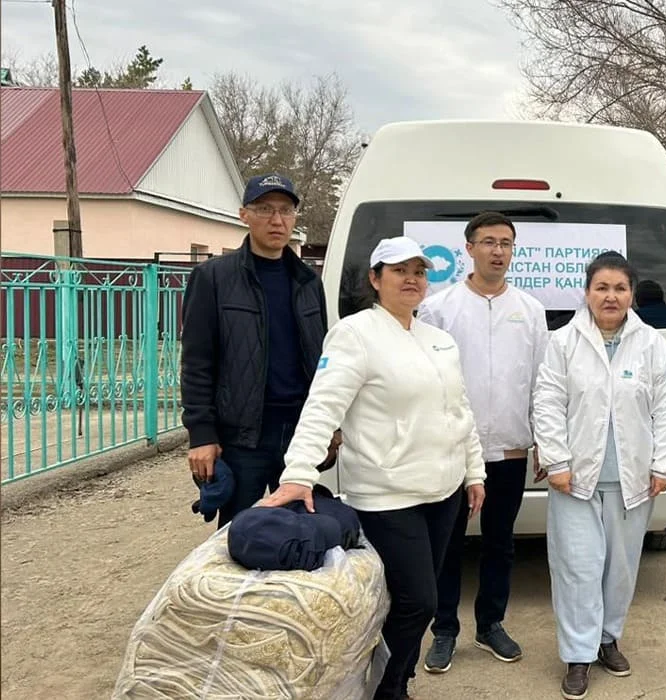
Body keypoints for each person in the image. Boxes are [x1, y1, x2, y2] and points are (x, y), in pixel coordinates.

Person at [262, 236, 487, 700]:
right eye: (398, 270)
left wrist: (474, 470)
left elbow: (459, 409)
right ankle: (387, 687)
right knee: (418, 600)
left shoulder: (438, 339)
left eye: (418, 271)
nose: (411, 279)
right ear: (374, 279)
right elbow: (322, 406)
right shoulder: (355, 334)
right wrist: (299, 472)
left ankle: (396, 678)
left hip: (443, 493)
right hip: (388, 495)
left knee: (413, 600)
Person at [534, 251, 666, 700]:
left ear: (631, 294)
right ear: (586, 292)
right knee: (578, 568)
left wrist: (664, 465)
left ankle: (606, 639)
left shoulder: (653, 344)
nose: (611, 296)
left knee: (619, 570)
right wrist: (557, 461)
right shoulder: (563, 342)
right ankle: (577, 656)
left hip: (632, 480)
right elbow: (547, 404)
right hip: (575, 480)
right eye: (602, 287)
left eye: (620, 288)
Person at [418, 212, 549, 671]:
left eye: (507, 243)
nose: (498, 251)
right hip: (454, 448)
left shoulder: (530, 311)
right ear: (468, 248)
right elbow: (428, 381)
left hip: (509, 449)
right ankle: (444, 629)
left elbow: (540, 383)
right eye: (489, 241)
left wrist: (543, 444)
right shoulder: (440, 308)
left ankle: (491, 624)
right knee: (448, 543)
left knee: (500, 542)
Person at [180, 173, 332, 527]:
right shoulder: (214, 278)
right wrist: (202, 435)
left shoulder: (309, 283)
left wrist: (331, 428)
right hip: (243, 436)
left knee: (301, 529)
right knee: (238, 533)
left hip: (299, 432)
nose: (277, 220)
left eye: (285, 211)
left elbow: (324, 362)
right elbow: (196, 363)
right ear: (243, 214)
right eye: (264, 209)